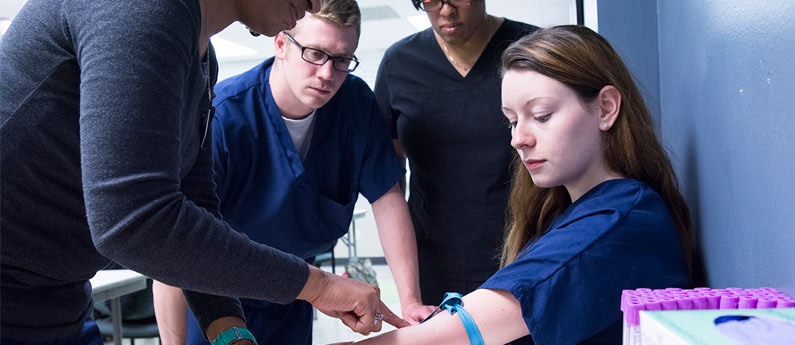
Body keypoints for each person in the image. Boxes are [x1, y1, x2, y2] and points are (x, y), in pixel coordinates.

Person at [0, 0, 403, 344]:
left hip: (55, 300)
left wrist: (230, 333)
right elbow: (136, 221)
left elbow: (194, 203)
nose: (316, 3)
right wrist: (319, 286)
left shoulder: (198, 56)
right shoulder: (142, 12)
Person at [348, 25, 694, 344]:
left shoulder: (621, 220)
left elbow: (466, 329)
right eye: (512, 121)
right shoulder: (570, 212)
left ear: (605, 108)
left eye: (541, 116)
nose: (519, 139)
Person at [152, 0, 433, 344]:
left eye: (342, 60)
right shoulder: (225, 116)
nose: (328, 74)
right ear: (281, 44)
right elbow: (175, 245)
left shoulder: (355, 104)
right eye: (315, 54)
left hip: (295, 296)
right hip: (214, 299)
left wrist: (411, 301)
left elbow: (387, 198)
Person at [373, 0, 539, 305]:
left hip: (522, 250)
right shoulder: (399, 62)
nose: (446, 11)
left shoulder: (531, 49)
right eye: (431, 1)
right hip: (432, 258)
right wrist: (408, 291)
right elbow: (390, 175)